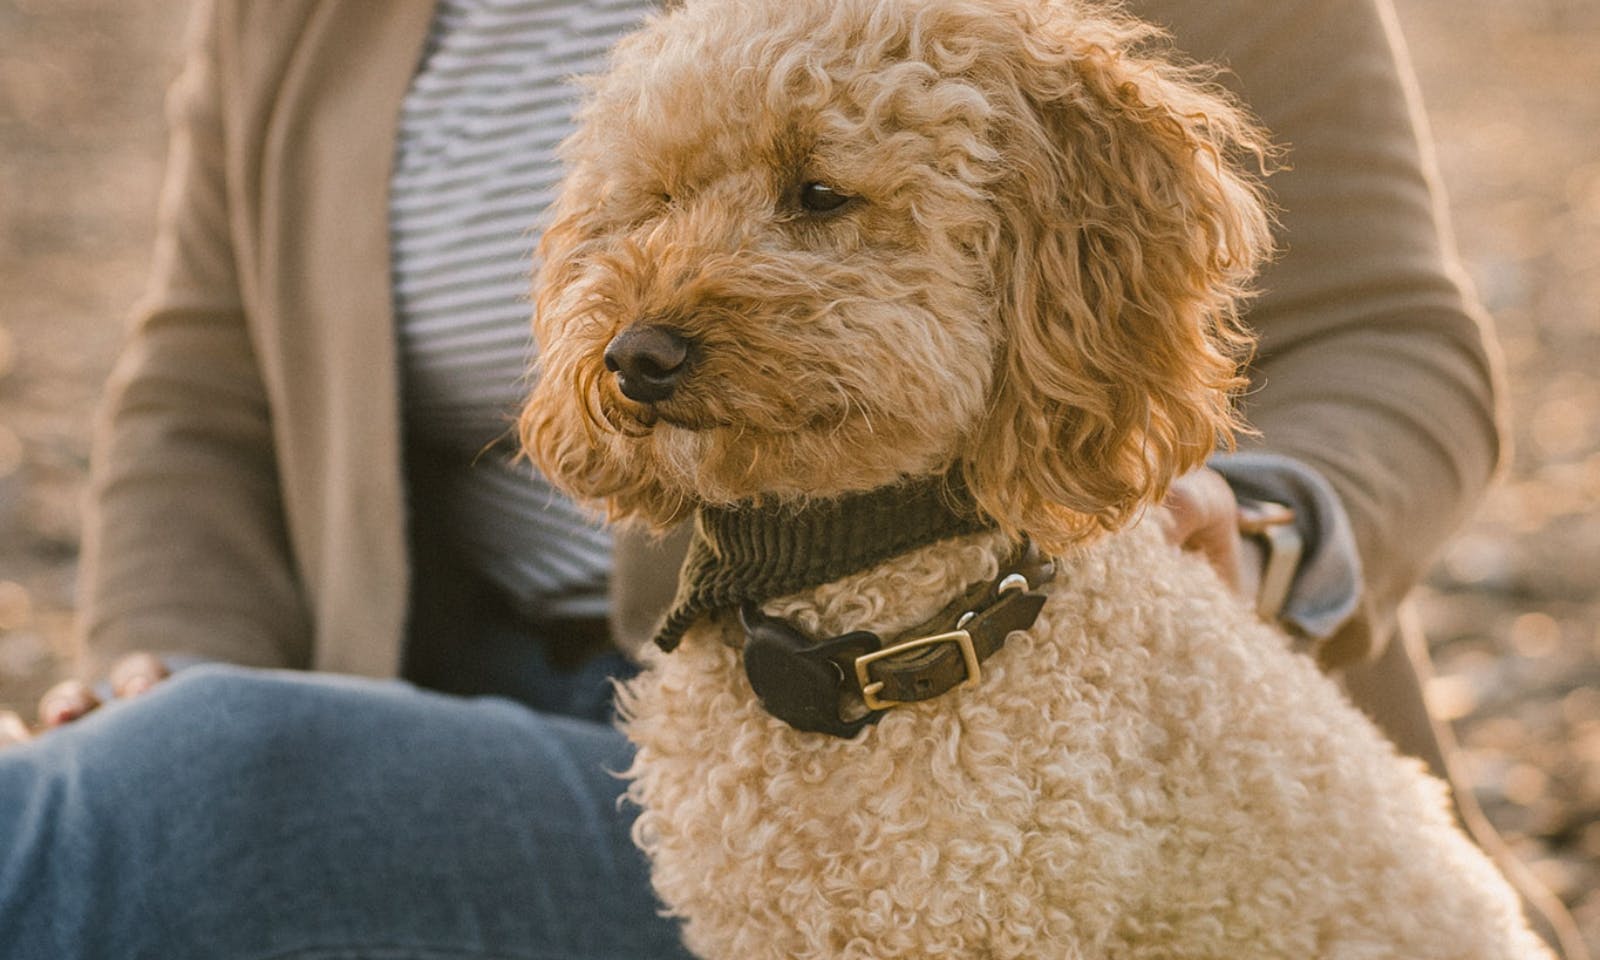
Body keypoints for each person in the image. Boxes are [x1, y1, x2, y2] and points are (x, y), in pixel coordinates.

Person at [0, 1, 1583, 958]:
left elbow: (1397, 334)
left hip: (966, 706)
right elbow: (208, 368)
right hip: (470, 703)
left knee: (183, 806)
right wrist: (162, 646)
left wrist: (1249, 521)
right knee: (172, 761)